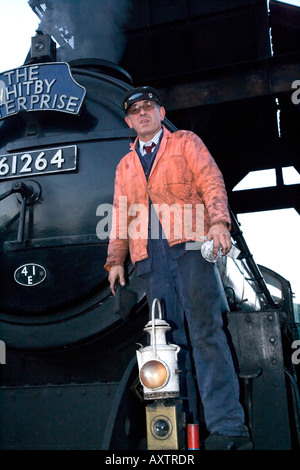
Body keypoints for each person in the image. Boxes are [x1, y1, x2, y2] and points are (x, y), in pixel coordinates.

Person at [105, 86, 252, 450]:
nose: (143, 113)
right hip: (149, 256)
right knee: (166, 343)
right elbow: (121, 214)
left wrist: (219, 222)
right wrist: (114, 261)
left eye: (149, 107)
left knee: (205, 332)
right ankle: (171, 432)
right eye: (136, 110)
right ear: (128, 120)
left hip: (188, 245)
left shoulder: (185, 141)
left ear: (161, 112)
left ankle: (228, 427)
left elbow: (210, 179)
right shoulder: (125, 165)